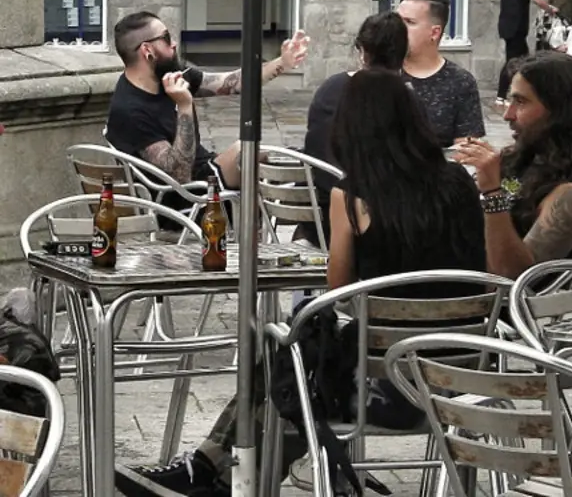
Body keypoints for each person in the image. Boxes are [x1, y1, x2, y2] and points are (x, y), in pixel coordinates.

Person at [113, 69, 486, 497]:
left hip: (384, 393)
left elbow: (338, 289)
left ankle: (212, 473)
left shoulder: (353, 195)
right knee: (297, 367)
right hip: (465, 381)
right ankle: (213, 474)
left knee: (288, 359)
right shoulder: (460, 184)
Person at [105, 11, 308, 193]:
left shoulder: (170, 76)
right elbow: (180, 176)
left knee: (278, 159)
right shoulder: (130, 110)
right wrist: (184, 106)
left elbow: (231, 83)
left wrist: (283, 62)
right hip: (182, 201)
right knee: (245, 152)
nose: (174, 43)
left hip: (205, 177)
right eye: (166, 38)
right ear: (147, 50)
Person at [455, 52, 572, 278]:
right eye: (510, 100)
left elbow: (512, 277)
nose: (508, 115)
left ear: (559, 111)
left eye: (521, 102)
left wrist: (492, 192)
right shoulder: (525, 159)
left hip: (486, 301)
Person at [294, 11, 408, 247]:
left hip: (315, 219)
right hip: (368, 228)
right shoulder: (400, 99)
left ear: (362, 51)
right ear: (404, 55)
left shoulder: (330, 87)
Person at [399, 0, 486, 144]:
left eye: (409, 22)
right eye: (397, 21)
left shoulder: (460, 82)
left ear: (434, 32)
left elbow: (466, 150)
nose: (398, 28)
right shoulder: (381, 71)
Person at [498, 0, 558, 105]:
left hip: (507, 25)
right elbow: (537, 0)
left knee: (522, 59)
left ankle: (517, 92)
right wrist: (550, 9)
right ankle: (502, 95)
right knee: (514, 60)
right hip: (516, 27)